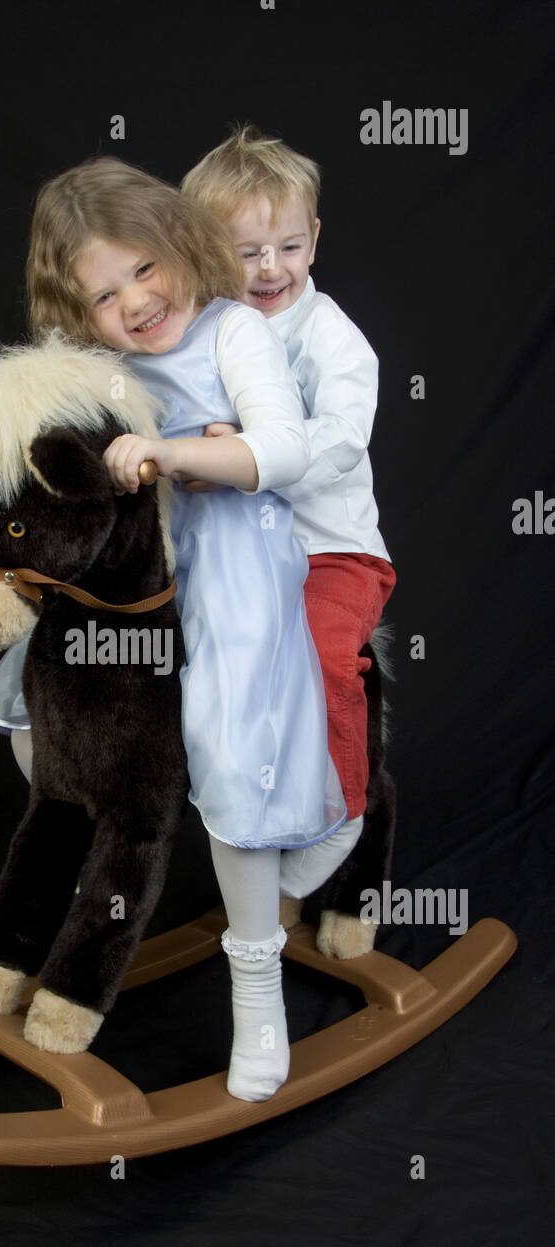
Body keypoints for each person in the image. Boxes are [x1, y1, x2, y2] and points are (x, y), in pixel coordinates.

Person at [0, 155, 347, 1102]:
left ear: (179, 247)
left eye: (144, 269)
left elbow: (291, 445)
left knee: (230, 763)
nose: (136, 302)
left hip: (226, 569)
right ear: (76, 313)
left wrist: (176, 450)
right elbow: (41, 469)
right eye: (104, 295)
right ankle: (49, 929)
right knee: (35, 724)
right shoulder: (93, 369)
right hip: (132, 585)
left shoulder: (233, 334)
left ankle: (255, 989)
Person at [180, 127, 396, 902]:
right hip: (235, 550)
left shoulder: (330, 338)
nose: (270, 268)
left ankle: (341, 810)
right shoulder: (201, 328)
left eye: (290, 246)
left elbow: (338, 441)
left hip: (328, 549)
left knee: (321, 658)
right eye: (245, 252)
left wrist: (245, 457)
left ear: (314, 240)